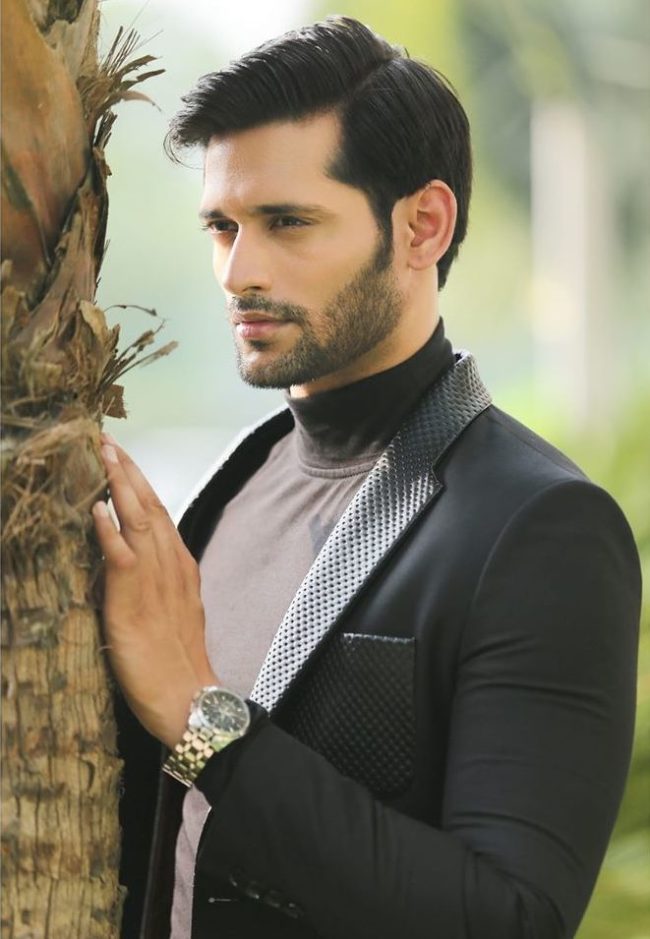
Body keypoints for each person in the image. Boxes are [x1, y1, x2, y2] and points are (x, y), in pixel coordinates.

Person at [92, 16, 641, 939]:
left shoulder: (543, 528)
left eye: (288, 222)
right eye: (222, 226)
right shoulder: (233, 486)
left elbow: (510, 919)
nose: (239, 271)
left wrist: (202, 719)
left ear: (423, 225)